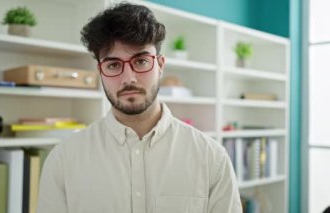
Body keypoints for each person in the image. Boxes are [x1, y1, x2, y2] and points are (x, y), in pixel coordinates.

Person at [37, 2, 242, 213]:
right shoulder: (64, 159)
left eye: (141, 61)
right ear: (100, 71)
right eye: (113, 65)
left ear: (160, 65)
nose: (129, 78)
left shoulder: (212, 159)